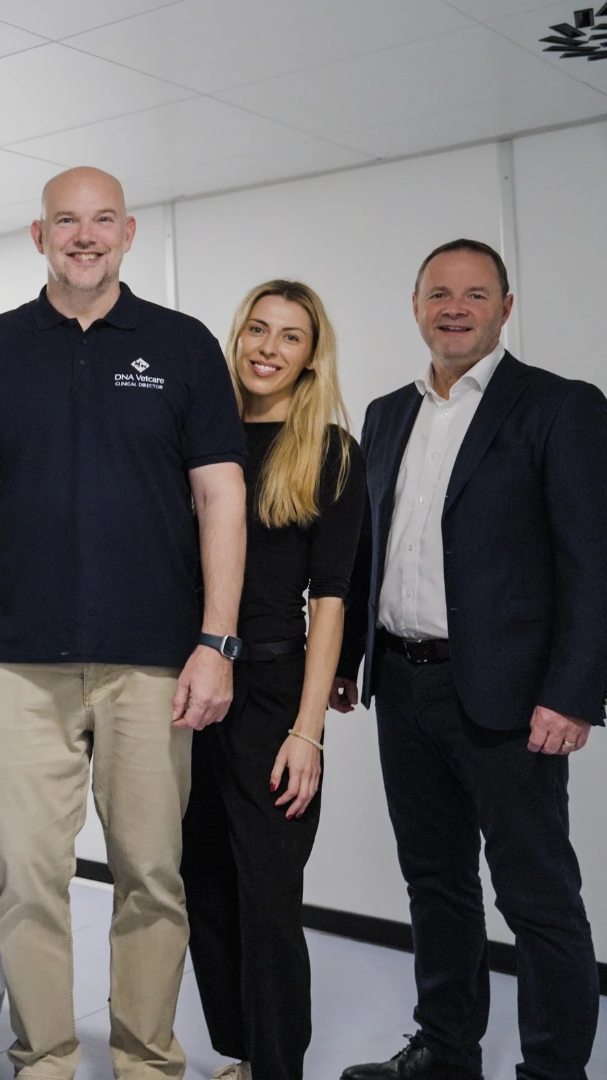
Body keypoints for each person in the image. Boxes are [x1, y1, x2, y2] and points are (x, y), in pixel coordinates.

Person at [0, 166, 248, 1080]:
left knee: (152, 879)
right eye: (66, 221)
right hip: (23, 668)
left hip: (154, 667)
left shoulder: (183, 345)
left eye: (102, 220)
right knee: (27, 881)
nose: (85, 235)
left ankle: (146, 1061)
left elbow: (221, 496)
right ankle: (43, 1061)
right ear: (40, 237)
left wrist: (216, 642)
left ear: (128, 233)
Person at [338, 240, 607, 1080]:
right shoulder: (385, 414)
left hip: (512, 700)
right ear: (415, 304)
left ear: (506, 306)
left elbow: (592, 562)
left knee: (537, 902)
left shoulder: (560, 407)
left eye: (475, 294)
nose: (456, 308)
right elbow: (365, 550)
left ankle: (553, 1072)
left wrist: (575, 694)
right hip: (404, 687)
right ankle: (447, 1051)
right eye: (440, 293)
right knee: (435, 882)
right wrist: (352, 661)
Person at [181, 281, 364, 1080]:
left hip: (272, 692)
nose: (268, 348)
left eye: (290, 337)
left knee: (268, 898)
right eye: (258, 328)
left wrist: (307, 729)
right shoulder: (198, 434)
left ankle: (278, 1068)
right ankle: (244, 1056)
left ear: (310, 356)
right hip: (188, 687)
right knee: (202, 884)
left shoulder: (327, 451)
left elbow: (331, 600)